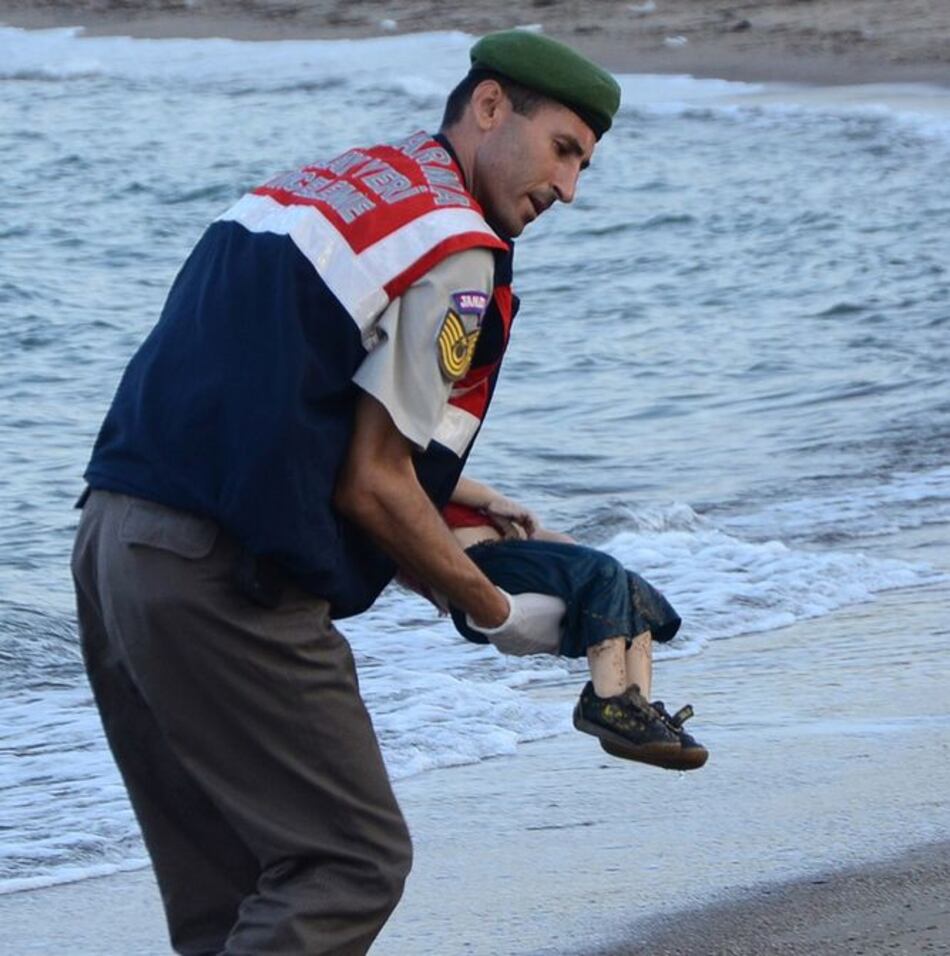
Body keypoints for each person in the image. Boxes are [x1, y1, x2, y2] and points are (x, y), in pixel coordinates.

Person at [70, 29, 621, 956]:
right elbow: (369, 484)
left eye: (584, 165)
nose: (569, 189)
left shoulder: (338, 182)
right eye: (564, 149)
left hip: (112, 544)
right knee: (350, 861)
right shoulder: (459, 249)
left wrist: (456, 495)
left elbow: (281, 385)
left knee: (229, 894)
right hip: (222, 580)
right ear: (490, 107)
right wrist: (492, 609)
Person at [438, 476, 708, 771]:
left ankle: (635, 713)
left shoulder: (490, 515)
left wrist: (537, 532)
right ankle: (606, 703)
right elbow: (431, 472)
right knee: (604, 571)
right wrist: (491, 498)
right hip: (477, 563)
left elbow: (566, 548)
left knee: (629, 587)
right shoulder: (419, 479)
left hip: (513, 561)